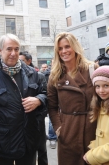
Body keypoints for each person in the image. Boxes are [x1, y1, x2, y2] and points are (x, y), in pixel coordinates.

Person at [0, 33, 47, 165]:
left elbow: (46, 95)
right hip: (1, 143)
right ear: (0, 51)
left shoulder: (32, 74)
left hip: (28, 142)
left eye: (16, 49)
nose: (13, 53)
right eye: (9, 49)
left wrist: (39, 100)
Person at [47, 32, 97, 165]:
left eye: (67, 46)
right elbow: (51, 107)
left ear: (75, 47)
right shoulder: (55, 75)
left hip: (92, 130)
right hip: (68, 132)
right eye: (60, 49)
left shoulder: (92, 69)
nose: (64, 51)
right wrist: (59, 129)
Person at [19, 51, 48, 165]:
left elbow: (46, 96)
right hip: (24, 122)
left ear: (29, 61)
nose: (19, 62)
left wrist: (38, 101)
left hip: (37, 119)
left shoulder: (38, 75)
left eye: (22, 60)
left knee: (41, 148)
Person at [83, 66, 109, 165]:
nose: (101, 90)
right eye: (97, 86)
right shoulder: (101, 105)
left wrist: (92, 155)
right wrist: (94, 146)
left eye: (106, 85)